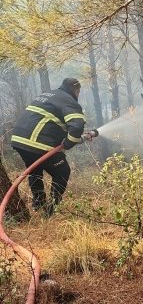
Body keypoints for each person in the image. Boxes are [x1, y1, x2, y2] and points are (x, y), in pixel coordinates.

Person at [11, 78, 87, 215]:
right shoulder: (69, 101)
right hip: (36, 142)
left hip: (19, 139)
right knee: (62, 171)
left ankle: (39, 204)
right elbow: (76, 126)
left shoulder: (48, 95)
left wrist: (68, 138)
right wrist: (69, 143)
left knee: (35, 170)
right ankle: (51, 208)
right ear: (76, 90)